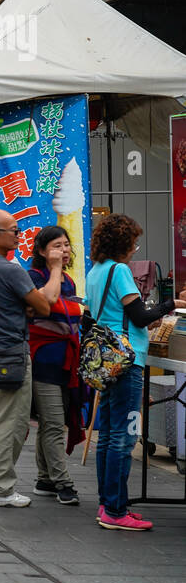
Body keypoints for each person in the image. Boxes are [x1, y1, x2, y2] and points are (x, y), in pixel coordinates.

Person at [87, 214, 186, 530]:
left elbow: (111, 315)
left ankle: (108, 503)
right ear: (124, 244)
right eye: (133, 242)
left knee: (109, 434)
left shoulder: (96, 271)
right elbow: (140, 316)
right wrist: (172, 303)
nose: (135, 248)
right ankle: (116, 511)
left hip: (107, 359)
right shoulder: (121, 273)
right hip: (128, 359)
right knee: (125, 435)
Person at [0, 209, 53, 507]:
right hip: (12, 352)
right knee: (12, 423)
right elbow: (43, 306)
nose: (18, 235)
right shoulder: (9, 269)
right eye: (13, 231)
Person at [26, 226, 84, 506]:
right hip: (43, 359)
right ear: (41, 251)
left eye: (66, 245)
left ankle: (45, 478)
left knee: (52, 423)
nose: (64, 250)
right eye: (57, 246)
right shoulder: (34, 277)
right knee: (52, 423)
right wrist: (55, 268)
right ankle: (64, 482)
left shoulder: (69, 281)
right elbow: (46, 301)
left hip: (66, 360)